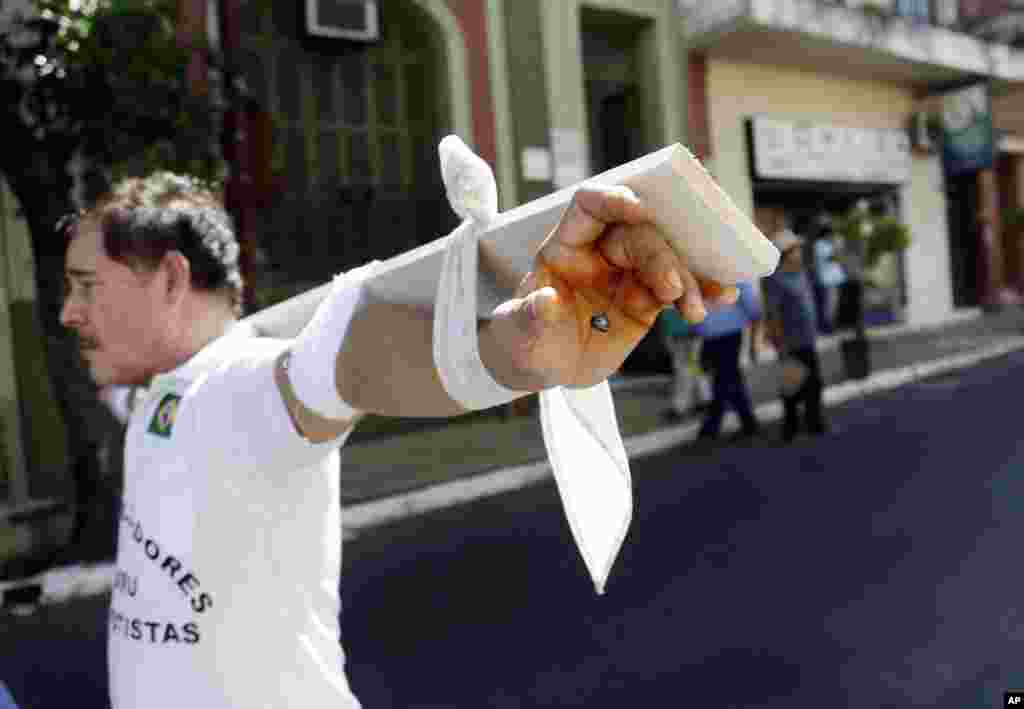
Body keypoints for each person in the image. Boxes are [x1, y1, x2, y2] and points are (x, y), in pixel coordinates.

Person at [58, 172, 736, 708]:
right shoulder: (151, 392)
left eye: (87, 287)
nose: (68, 312)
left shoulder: (228, 391)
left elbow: (338, 366)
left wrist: (501, 351)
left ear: (173, 279)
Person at [762, 229, 828, 443]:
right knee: (791, 385)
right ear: (785, 254)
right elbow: (773, 314)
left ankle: (813, 421)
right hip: (791, 342)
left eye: (799, 249)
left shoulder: (802, 273)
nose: (799, 252)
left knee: (813, 383)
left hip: (808, 339)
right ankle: (790, 427)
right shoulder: (776, 280)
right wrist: (779, 343)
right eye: (795, 250)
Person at [692, 280, 763, 442]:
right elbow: (749, 301)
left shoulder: (702, 269)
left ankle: (714, 424)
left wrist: (697, 328)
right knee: (728, 377)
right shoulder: (730, 268)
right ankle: (746, 421)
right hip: (728, 329)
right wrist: (755, 317)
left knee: (724, 377)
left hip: (713, 332)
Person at [657, 306, 708, 421]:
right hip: (691, 330)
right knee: (693, 367)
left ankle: (680, 406)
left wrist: (666, 334)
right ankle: (704, 398)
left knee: (682, 370)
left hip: (681, 332)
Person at [811, 216, 845, 334]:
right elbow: (832, 257)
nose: (832, 236)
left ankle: (832, 325)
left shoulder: (828, 244)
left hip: (835, 279)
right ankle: (827, 327)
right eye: (831, 234)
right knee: (828, 305)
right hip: (827, 280)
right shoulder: (819, 245)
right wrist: (837, 247)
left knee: (834, 304)